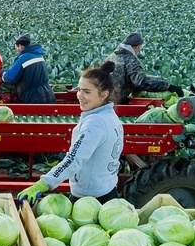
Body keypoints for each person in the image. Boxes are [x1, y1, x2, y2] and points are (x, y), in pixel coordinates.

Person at [18, 61, 123, 205]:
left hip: (90, 200)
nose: (80, 95)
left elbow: (73, 160)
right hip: (107, 191)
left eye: (87, 92)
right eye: (79, 89)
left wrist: (43, 184)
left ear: (104, 94)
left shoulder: (95, 123)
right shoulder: (111, 116)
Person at [104, 32, 184, 105]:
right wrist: (168, 86)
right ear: (136, 47)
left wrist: (158, 79)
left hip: (104, 99)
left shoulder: (111, 56)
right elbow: (141, 82)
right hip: (117, 102)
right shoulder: (130, 60)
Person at [1, 33, 55, 104]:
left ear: (20, 46)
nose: (17, 50)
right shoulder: (38, 56)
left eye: (16, 47)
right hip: (48, 94)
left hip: (33, 98)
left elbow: (11, 77)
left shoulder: (23, 58)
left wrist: (2, 73)